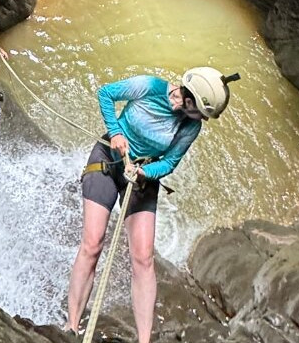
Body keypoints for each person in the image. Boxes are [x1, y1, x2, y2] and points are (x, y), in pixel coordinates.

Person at [64, 68, 240, 343]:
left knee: (144, 259)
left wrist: (145, 173)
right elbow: (106, 93)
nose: (202, 120)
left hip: (142, 175)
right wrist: (115, 132)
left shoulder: (190, 126)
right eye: (201, 113)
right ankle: (71, 327)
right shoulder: (148, 86)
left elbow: (169, 162)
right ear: (190, 99)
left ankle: (144, 340)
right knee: (93, 244)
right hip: (108, 161)